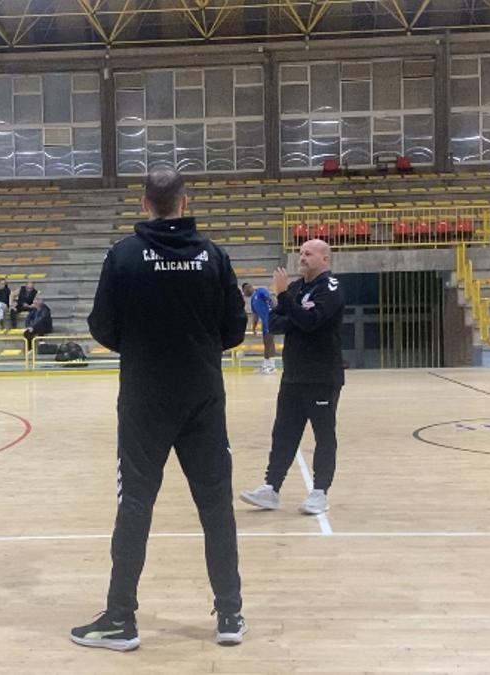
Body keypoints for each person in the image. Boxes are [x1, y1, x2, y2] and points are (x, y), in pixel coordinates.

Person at [72, 168, 247, 652]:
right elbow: (234, 331)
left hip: (144, 401)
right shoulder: (214, 256)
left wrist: (144, 345)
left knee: (135, 505)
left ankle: (121, 620)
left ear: (145, 203)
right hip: (203, 400)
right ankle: (230, 614)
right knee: (216, 506)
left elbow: (102, 328)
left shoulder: (123, 256)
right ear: (183, 202)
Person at [239, 239, 344, 516]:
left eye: (309, 253)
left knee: (323, 435)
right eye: (300, 253)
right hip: (293, 376)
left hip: (321, 376)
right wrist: (288, 311)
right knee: (283, 434)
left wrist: (285, 301)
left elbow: (311, 322)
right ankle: (271, 488)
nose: (302, 257)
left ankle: (320, 492)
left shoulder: (329, 288)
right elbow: (275, 323)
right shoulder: (297, 289)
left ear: (325, 259)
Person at [241, 282, 277, 373]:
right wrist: (254, 328)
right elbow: (255, 316)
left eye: (244, 291)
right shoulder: (253, 300)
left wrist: (274, 313)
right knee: (266, 343)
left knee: (269, 341)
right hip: (264, 322)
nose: (244, 294)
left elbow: (270, 299)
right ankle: (266, 365)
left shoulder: (260, 291)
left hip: (270, 319)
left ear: (247, 288)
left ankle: (272, 366)